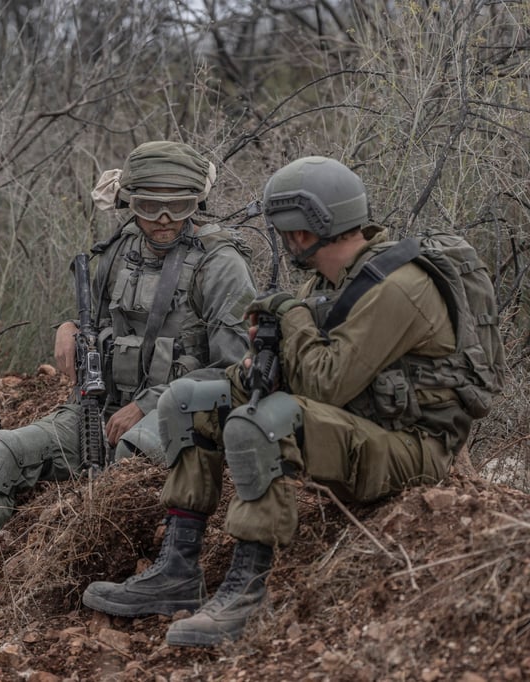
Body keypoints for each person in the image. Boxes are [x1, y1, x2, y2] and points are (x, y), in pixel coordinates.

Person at [82, 155, 501, 647]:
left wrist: (293, 315)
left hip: (411, 447)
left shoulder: (399, 287)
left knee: (262, 422)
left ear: (303, 232)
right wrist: (261, 357)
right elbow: (304, 370)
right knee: (188, 399)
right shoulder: (328, 283)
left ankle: (246, 592)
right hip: (356, 425)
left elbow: (324, 385)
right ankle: (177, 567)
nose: (285, 241)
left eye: (285, 231)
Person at [0, 140, 258, 630]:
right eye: (150, 205)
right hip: (96, 411)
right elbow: (102, 326)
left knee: (130, 453)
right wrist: (67, 327)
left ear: (199, 202)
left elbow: (235, 370)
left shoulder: (220, 263)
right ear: (129, 202)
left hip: (177, 421)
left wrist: (152, 404)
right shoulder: (116, 254)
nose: (165, 219)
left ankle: (160, 576)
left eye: (181, 205)